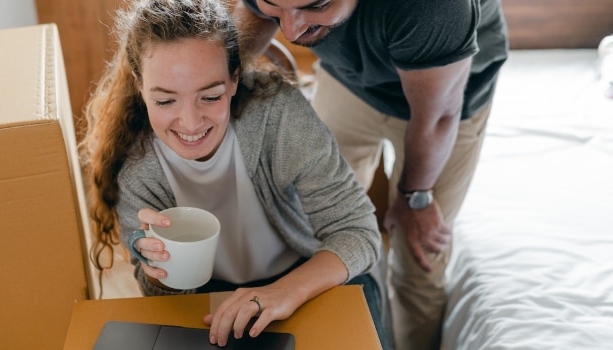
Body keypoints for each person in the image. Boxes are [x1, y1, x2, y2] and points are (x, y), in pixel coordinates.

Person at [79, 0, 388, 347]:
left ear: (233, 79)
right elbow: (162, 297)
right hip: (212, 298)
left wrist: (281, 292)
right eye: (166, 101)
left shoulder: (279, 118)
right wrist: (158, 269)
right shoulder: (135, 167)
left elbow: (359, 233)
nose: (191, 123)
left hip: (308, 276)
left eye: (210, 96)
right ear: (140, 85)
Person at [231, 0, 509, 349]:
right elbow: (250, 23)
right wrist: (218, 82)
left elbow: (438, 119)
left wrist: (416, 198)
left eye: (315, 6)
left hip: (443, 103)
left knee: (418, 259)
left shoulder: (436, 7)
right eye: (276, 7)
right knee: (313, 231)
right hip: (348, 80)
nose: (290, 32)